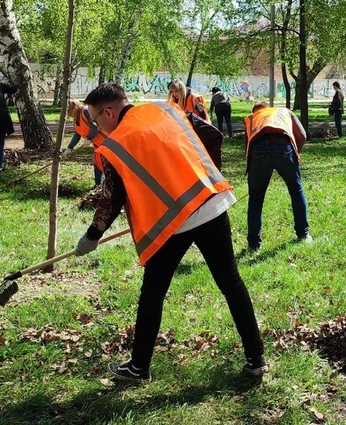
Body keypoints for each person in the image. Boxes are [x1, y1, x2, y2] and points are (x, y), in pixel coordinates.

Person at [74, 83, 266, 382]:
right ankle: (257, 358)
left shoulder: (116, 144)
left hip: (172, 222)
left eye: (97, 120)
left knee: (152, 294)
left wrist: (92, 236)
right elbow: (212, 135)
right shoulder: (167, 109)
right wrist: (203, 173)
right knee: (230, 282)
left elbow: (110, 200)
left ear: (108, 112)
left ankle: (139, 367)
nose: (98, 126)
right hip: (210, 202)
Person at [244, 101, 311, 251]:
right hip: (283, 146)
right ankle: (303, 234)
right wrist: (293, 155)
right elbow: (303, 135)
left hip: (258, 151)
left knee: (255, 199)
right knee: (296, 191)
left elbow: (248, 146)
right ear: (268, 107)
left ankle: (253, 245)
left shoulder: (251, 118)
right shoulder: (283, 111)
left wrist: (255, 167)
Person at [64, 100, 106, 187]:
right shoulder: (76, 119)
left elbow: (96, 127)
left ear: (75, 108)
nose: (69, 114)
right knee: (97, 163)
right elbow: (77, 134)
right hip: (97, 145)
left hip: (106, 141)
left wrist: (89, 138)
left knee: (108, 164)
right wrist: (69, 148)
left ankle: (107, 186)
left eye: (69, 111)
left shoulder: (86, 112)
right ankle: (98, 185)